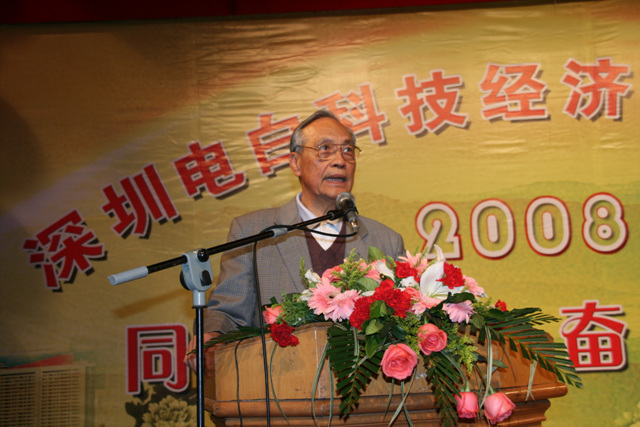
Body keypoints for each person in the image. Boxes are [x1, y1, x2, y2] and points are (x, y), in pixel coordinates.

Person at [184, 110, 405, 376]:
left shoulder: (386, 241)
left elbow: (403, 326)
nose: (340, 161)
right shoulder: (253, 233)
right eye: (325, 149)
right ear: (295, 163)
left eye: (348, 150)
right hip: (277, 385)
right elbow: (229, 312)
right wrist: (212, 335)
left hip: (362, 390)